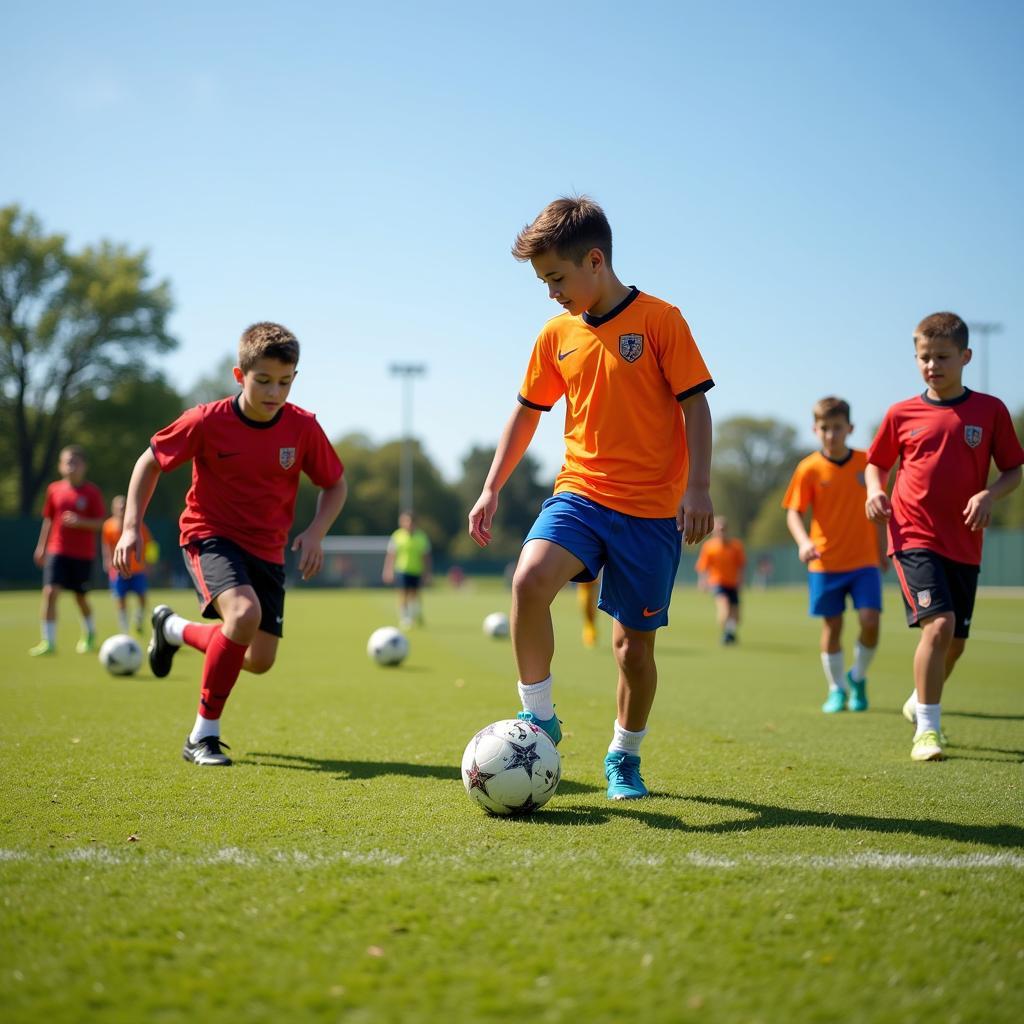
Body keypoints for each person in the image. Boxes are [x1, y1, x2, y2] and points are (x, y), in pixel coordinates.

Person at [468, 195, 714, 801]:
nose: (551, 292)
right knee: (528, 581)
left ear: (596, 260)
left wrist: (699, 488)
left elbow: (696, 406)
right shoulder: (556, 335)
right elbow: (526, 415)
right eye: (543, 281)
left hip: (651, 512)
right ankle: (540, 718)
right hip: (579, 493)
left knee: (632, 648)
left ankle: (623, 756)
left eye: (556, 278)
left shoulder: (661, 320)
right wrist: (491, 486)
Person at [113, 322, 348, 766]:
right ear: (240, 376)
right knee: (242, 615)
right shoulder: (206, 420)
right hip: (209, 535)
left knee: (259, 659)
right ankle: (202, 735)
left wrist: (316, 531)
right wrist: (130, 528)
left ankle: (172, 630)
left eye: (284, 382)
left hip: (268, 550)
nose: (273, 392)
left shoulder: (302, 428)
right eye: (263, 381)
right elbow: (150, 461)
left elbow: (335, 485)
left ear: (294, 379)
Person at [865, 312, 1023, 762]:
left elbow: (1013, 469)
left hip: (965, 541)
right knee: (939, 624)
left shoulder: (990, 411)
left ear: (965, 357)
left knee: (956, 643)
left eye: (942, 357)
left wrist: (990, 494)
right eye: (924, 358)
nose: (932, 365)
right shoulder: (901, 413)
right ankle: (928, 731)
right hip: (912, 534)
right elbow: (876, 463)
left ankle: (920, 701)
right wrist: (876, 491)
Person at [782, 397, 888, 713]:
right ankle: (836, 689)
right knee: (833, 626)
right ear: (816, 429)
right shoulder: (809, 468)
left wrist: (883, 551)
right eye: (825, 428)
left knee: (870, 620)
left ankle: (858, 676)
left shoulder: (868, 463)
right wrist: (803, 542)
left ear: (850, 428)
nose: (831, 434)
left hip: (864, 561)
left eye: (837, 428)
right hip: (825, 563)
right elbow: (793, 513)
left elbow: (881, 510)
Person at [29, 445, 106, 656]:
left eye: (75, 462)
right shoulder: (54, 489)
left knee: (80, 598)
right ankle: (48, 641)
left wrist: (81, 521)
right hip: (57, 550)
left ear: (84, 466)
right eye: (67, 462)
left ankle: (90, 633)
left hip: (83, 554)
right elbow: (48, 519)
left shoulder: (91, 492)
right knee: (50, 592)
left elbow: (101, 523)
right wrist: (42, 546)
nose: (71, 466)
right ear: (60, 466)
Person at [102, 495, 156, 634]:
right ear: (113, 509)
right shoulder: (108, 526)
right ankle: (124, 629)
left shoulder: (139, 527)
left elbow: (151, 545)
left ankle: (138, 619)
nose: (121, 509)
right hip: (118, 570)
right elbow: (106, 545)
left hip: (137, 569)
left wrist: (150, 563)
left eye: (124, 506)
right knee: (120, 599)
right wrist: (107, 560)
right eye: (118, 506)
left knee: (142, 598)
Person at [695, 516, 745, 645]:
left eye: (723, 529)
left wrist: (740, 580)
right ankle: (726, 633)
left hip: (732, 583)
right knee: (725, 607)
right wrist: (702, 581)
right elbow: (703, 566)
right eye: (718, 530)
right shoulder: (709, 547)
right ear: (713, 531)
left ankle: (729, 633)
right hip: (717, 582)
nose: (720, 532)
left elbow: (740, 565)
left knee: (736, 615)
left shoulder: (735, 546)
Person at [381, 510, 432, 628]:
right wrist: (387, 570)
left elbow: (426, 557)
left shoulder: (421, 537)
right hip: (402, 570)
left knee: (414, 594)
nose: (408, 524)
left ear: (414, 523)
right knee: (402, 594)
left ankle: (415, 614)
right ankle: (405, 618)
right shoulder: (397, 536)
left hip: (417, 570)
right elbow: (391, 555)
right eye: (405, 521)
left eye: (410, 521)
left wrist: (427, 572)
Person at [577, 577, 599, 648]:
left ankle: (591, 634)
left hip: (593, 585)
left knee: (591, 612)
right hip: (584, 588)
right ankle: (589, 633)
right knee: (586, 611)